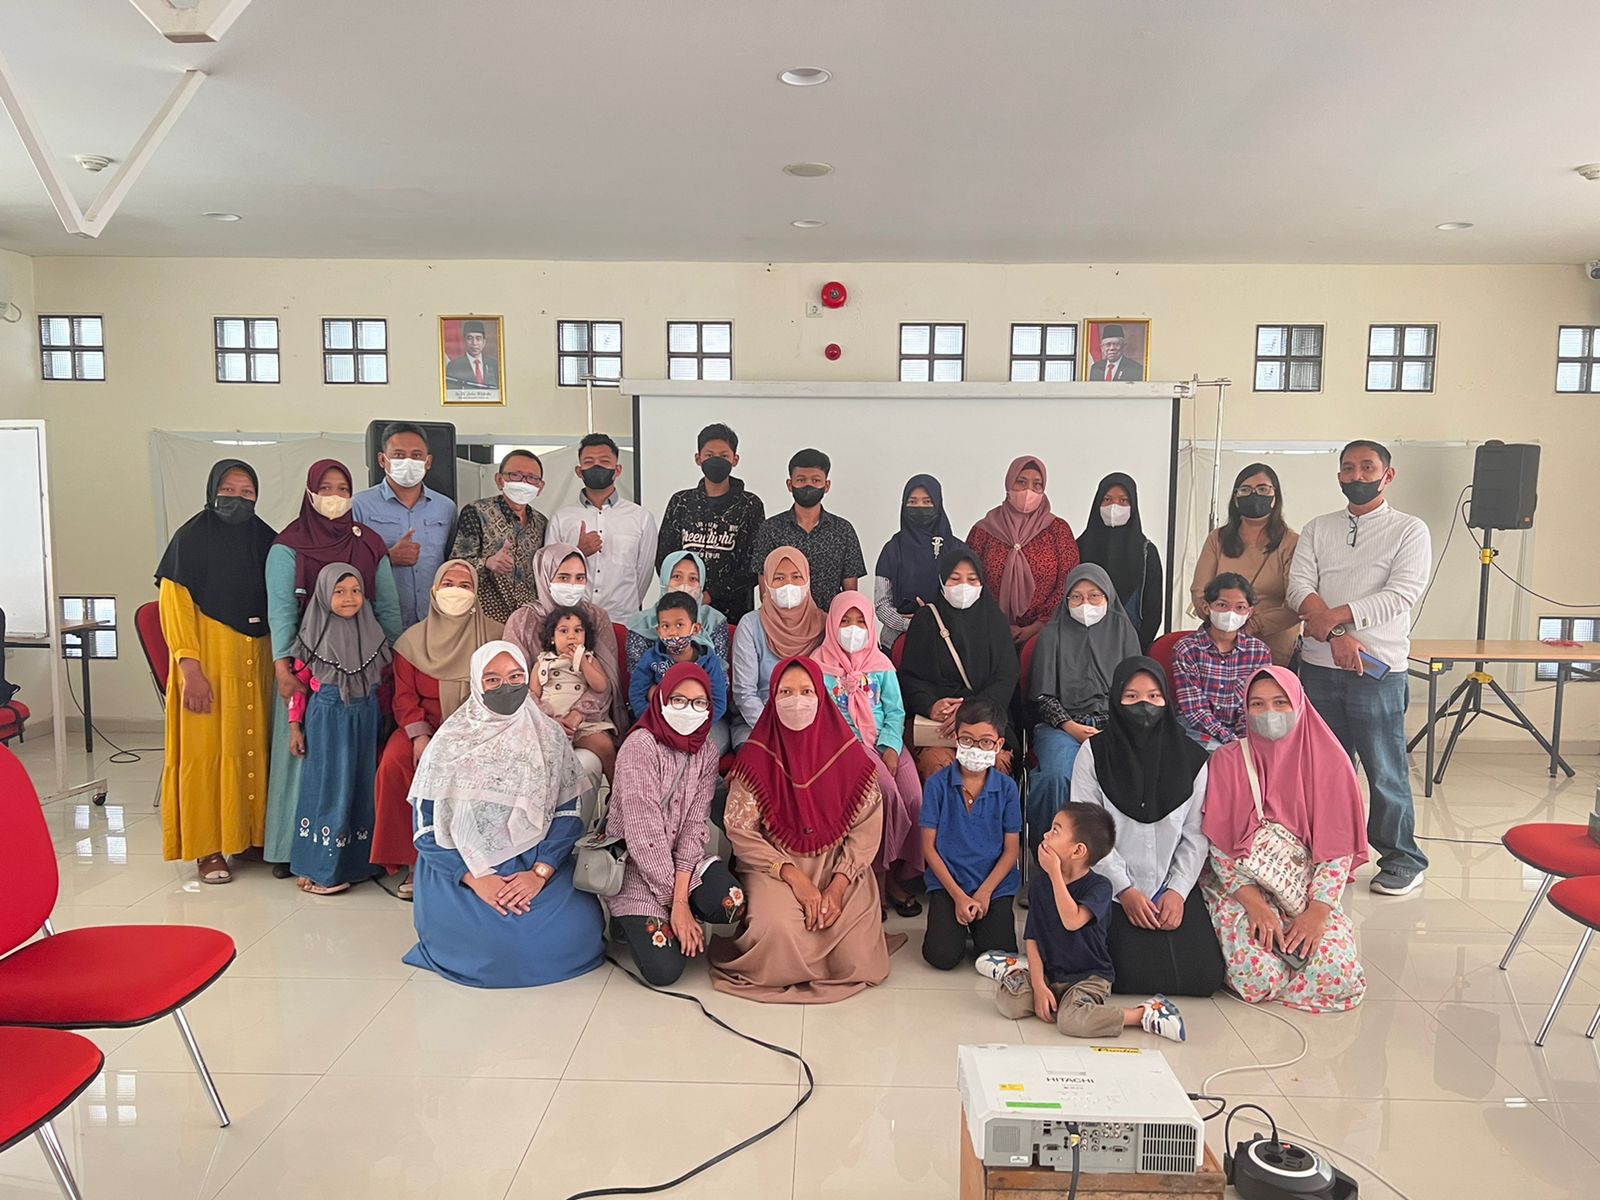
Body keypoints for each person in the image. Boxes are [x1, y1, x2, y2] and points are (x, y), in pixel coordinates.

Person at [403, 641, 605, 988]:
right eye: (492, 680)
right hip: (461, 866)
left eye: (514, 677)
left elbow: (569, 813)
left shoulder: (548, 736)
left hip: (537, 859)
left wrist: (539, 874)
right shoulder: (449, 743)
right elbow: (425, 830)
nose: (506, 687)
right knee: (493, 944)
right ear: (477, 684)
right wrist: (476, 880)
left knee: (576, 928)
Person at [1285, 439, 1431, 896]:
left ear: (1388, 475)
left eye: (1368, 467)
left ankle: (1402, 859)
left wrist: (1337, 619)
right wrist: (1336, 636)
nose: (1357, 476)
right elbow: (1298, 588)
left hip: (1378, 670)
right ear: (1339, 477)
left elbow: (1401, 594)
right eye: (1348, 468)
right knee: (1324, 771)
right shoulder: (1318, 528)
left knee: (1384, 770)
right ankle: (1332, 854)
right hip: (1319, 668)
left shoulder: (1409, 530)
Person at [710, 658, 901, 1003]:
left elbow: (866, 826)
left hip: (838, 864)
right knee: (778, 932)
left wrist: (839, 885)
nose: (796, 701)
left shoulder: (849, 756)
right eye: (785, 692)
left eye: (806, 692)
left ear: (821, 697)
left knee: (857, 956)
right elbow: (742, 832)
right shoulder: (755, 758)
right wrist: (796, 879)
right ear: (772, 698)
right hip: (775, 866)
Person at [1200, 667, 1369, 1012]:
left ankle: (1296, 971)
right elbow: (1221, 849)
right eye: (1258, 704)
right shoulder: (1229, 761)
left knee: (1336, 975)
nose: (1270, 713)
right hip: (1244, 885)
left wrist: (1317, 912)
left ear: (1299, 703)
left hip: (1305, 888)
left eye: (1281, 703)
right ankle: (1280, 976)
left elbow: (1337, 853)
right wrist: (1257, 907)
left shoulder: (1332, 763)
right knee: (1257, 977)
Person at [264, 460, 402, 876]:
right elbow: (281, 611)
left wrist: (392, 665)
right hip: (309, 669)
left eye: (343, 488)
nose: (335, 496)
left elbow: (388, 609)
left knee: (356, 762)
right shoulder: (287, 547)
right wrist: (283, 666)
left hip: (364, 669)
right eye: (326, 488)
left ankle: (357, 853)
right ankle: (290, 849)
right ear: (310, 492)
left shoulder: (369, 543)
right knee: (305, 757)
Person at [154, 459, 277, 884]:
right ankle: (208, 848)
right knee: (207, 754)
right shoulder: (190, 540)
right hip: (208, 660)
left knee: (252, 750)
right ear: (212, 492)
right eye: (228, 490)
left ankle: (250, 837)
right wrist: (190, 668)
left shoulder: (266, 539)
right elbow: (174, 607)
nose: (237, 499)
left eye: (247, 492)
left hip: (258, 660)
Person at [1071, 658, 1224, 997]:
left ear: (1167, 701)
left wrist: (1178, 892)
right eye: (1132, 697)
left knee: (1202, 978)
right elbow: (1088, 831)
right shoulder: (1093, 753)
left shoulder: (1193, 759)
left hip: (1170, 883)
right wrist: (1125, 889)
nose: (1144, 706)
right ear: (1115, 701)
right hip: (1107, 883)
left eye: (1154, 697)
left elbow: (1196, 835)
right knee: (1117, 976)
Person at [992, 802, 1187, 1042]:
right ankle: (1017, 969)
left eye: (1055, 831)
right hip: (1051, 973)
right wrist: (1039, 985)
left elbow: (1072, 920)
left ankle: (1144, 1014)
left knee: (1071, 1021)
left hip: (1089, 977)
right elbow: (1032, 936)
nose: (1045, 835)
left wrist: (1055, 874)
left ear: (1077, 851)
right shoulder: (1041, 885)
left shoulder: (1100, 887)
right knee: (1009, 1004)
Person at [608, 662, 745, 987]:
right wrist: (678, 905)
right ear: (662, 699)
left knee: (732, 904)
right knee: (664, 970)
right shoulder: (639, 747)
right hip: (636, 867)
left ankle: (676, 914)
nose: (688, 710)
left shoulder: (706, 751)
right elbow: (643, 839)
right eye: (679, 700)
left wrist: (681, 901)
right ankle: (629, 919)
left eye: (699, 703)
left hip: (683, 866)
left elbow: (695, 826)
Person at [372, 560, 502, 894]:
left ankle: (476, 862)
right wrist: (419, 735)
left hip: (478, 728)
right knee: (395, 763)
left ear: (476, 594)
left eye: (465, 586)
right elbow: (403, 697)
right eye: (448, 584)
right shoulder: (411, 642)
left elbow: (502, 691)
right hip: (425, 726)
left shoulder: (495, 638)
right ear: (434, 591)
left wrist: (471, 733)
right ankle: (414, 863)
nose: (456, 592)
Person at [815, 590, 924, 917]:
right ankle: (879, 877)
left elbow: (896, 711)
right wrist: (862, 747)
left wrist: (890, 747)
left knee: (914, 797)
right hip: (847, 745)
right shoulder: (819, 666)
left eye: (860, 621)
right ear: (833, 624)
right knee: (885, 793)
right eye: (845, 621)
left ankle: (902, 871)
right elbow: (822, 720)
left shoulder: (881, 664)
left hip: (885, 740)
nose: (853, 628)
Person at [286, 564, 390, 895]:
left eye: (356, 591)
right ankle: (321, 869)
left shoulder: (372, 632)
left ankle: (358, 864)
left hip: (364, 718)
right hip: (328, 719)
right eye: (339, 591)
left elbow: (382, 685)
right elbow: (298, 688)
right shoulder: (313, 635)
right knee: (328, 786)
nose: (349, 598)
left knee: (360, 784)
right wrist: (295, 727)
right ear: (323, 595)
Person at [1027, 564, 1140, 847]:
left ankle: (1109, 854)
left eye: (1094, 596)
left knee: (1128, 771)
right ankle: (1051, 851)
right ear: (1066, 599)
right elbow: (1042, 697)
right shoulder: (1052, 634)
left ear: (1108, 597)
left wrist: (1114, 729)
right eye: (1076, 597)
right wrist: (1070, 726)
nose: (1085, 604)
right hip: (1061, 727)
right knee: (1056, 776)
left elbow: (1135, 694)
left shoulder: (1124, 632)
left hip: (1114, 727)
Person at [897, 547, 1020, 781]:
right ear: (942, 582)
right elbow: (909, 678)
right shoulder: (926, 620)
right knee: (938, 766)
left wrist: (970, 711)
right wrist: (931, 705)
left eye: (972, 580)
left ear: (982, 583)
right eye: (955, 579)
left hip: (985, 722)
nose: (964, 586)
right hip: (938, 730)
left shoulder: (995, 621)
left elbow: (1006, 677)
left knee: (993, 766)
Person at [918, 697, 1021, 970]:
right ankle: (958, 922)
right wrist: (959, 896)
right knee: (941, 957)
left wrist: (985, 892)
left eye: (985, 741)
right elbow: (928, 847)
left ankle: (978, 925)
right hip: (949, 883)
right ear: (955, 739)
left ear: (998, 744)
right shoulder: (937, 785)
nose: (975, 748)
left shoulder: (1007, 789)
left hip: (993, 885)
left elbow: (1012, 848)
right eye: (967, 739)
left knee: (997, 955)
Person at [503, 544, 629, 734]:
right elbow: (514, 682)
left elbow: (606, 681)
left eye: (580, 578)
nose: (572, 585)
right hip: (535, 718)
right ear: (545, 576)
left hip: (590, 718)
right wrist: (548, 718)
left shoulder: (596, 617)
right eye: (563, 577)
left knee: (599, 748)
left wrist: (577, 715)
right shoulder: (522, 620)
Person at [1189, 463, 1302, 667]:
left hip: (1273, 646)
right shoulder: (1217, 538)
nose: (1254, 495)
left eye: (1263, 489)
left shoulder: (1292, 542)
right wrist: (1222, 622)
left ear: (1276, 496)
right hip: (1220, 643)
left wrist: (1252, 624)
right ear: (1235, 498)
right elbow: (1199, 592)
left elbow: (1297, 602)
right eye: (1245, 490)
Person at [655, 423, 766, 624]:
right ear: (698, 458)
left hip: (733, 614)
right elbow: (664, 556)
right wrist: (684, 589)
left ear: (735, 459)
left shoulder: (750, 505)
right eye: (709, 455)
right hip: (682, 611)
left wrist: (710, 595)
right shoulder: (681, 502)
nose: (716, 461)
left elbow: (754, 564)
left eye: (724, 456)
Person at [964, 456, 1079, 649]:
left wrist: (1038, 626)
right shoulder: (983, 530)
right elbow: (969, 578)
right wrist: (996, 623)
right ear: (1009, 483)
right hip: (989, 633)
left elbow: (1068, 581)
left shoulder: (1058, 530)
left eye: (1037, 484)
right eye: (1021, 482)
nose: (1028, 490)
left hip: (1046, 636)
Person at [352, 422, 457, 628]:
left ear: (428, 462)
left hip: (434, 621)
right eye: (399, 455)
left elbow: (451, 561)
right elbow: (348, 564)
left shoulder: (446, 507)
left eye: (416, 455)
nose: (408, 461)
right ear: (383, 460)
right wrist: (387, 557)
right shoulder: (360, 505)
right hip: (379, 622)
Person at [547, 433, 658, 619]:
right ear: (579, 471)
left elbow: (643, 574)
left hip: (622, 620)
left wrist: (626, 605)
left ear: (617, 470)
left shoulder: (641, 518)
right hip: (575, 620)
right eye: (589, 462)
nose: (596, 466)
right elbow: (549, 572)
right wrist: (578, 552)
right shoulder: (561, 518)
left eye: (604, 461)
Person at [748, 448, 866, 610]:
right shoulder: (770, 529)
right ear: (790, 484)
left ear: (826, 485)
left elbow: (850, 594)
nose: (808, 485)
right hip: (784, 621)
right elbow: (765, 590)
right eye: (801, 480)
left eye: (816, 480)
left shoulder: (843, 530)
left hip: (828, 620)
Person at [730, 548, 825, 744]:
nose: (788, 584)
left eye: (796, 576)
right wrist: (774, 729)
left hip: (815, 725)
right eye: (779, 578)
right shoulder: (750, 625)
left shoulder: (824, 625)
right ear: (766, 583)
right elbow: (744, 692)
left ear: (808, 580)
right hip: (759, 724)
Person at [1172, 573, 1274, 748]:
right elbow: (1195, 710)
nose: (1231, 613)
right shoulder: (1187, 649)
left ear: (1249, 612)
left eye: (1240, 607)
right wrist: (1231, 743)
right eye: (1222, 605)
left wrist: (1243, 742)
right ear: (1206, 607)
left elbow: (1255, 705)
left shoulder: (1259, 652)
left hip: (1243, 733)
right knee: (1216, 755)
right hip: (1196, 730)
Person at [448, 448, 548, 624]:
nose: (524, 482)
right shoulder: (477, 512)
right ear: (499, 480)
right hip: (486, 618)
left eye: (532, 478)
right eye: (515, 475)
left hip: (528, 619)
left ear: (540, 487)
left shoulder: (541, 522)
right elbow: (456, 565)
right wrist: (487, 563)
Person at [873, 474, 964, 653]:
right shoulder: (893, 549)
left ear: (938, 504)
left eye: (927, 502)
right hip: (898, 643)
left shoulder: (957, 550)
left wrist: (937, 624)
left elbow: (968, 600)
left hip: (948, 642)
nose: (920, 507)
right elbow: (881, 604)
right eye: (912, 502)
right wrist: (910, 624)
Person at [530, 605, 618, 780]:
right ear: (552, 638)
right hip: (552, 723)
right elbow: (532, 695)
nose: (572, 636)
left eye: (578, 631)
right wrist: (547, 718)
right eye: (564, 631)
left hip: (583, 725)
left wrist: (582, 662)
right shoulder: (543, 662)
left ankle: (617, 789)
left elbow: (601, 686)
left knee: (605, 746)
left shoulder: (589, 660)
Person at [1076, 472, 1163, 649]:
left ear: (1133, 506)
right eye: (1107, 500)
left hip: (1131, 646)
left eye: (1123, 501)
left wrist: (1134, 649)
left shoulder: (1147, 552)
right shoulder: (1079, 547)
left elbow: (1153, 612)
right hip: (1081, 646)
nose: (1114, 507)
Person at [629, 591, 730, 743]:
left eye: (679, 625)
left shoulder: (709, 661)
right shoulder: (651, 659)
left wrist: (695, 726)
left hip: (699, 726)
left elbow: (719, 702)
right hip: (658, 725)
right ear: (659, 630)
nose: (672, 632)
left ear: (695, 629)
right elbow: (637, 694)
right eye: (666, 626)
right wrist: (655, 722)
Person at [624, 551, 731, 674]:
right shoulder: (641, 624)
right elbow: (638, 676)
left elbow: (720, 677)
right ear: (664, 579)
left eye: (693, 579)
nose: (684, 585)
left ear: (701, 585)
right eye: (677, 577)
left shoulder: (715, 621)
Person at [443, 319, 499, 390]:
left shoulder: (494, 364)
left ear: (484, 342)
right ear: (464, 341)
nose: (474, 343)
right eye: (469, 338)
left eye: (478, 339)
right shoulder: (453, 366)